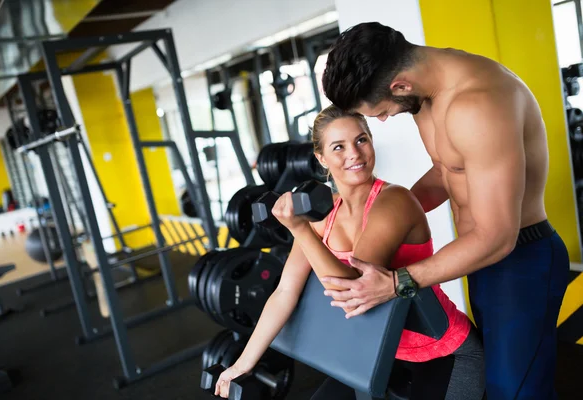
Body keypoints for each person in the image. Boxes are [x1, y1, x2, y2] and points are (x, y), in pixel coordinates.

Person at [320, 22, 570, 400]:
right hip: (481, 261)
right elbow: (449, 169)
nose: (384, 119)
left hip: (519, 257)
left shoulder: (478, 103)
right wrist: (385, 214)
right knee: (501, 381)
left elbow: (496, 236)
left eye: (381, 112)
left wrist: (396, 283)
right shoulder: (426, 94)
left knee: (516, 392)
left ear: (399, 85)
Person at [214, 105, 485, 400]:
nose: (354, 154)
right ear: (322, 158)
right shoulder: (322, 215)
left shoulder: (394, 201)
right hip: (378, 356)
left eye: (361, 140)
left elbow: (356, 288)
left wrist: (300, 230)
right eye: (338, 147)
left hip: (442, 352)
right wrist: (241, 365)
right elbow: (285, 292)